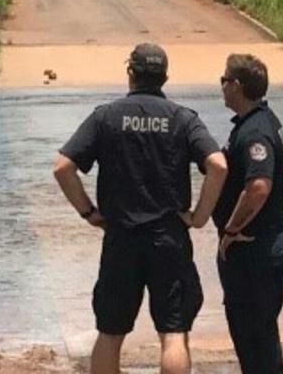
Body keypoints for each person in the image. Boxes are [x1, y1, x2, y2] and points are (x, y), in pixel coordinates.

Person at [53, 43, 228, 374]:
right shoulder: (182, 118)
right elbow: (217, 165)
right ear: (164, 77)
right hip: (169, 238)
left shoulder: (106, 116)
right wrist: (200, 217)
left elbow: (63, 167)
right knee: (174, 333)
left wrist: (89, 213)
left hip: (121, 237)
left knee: (110, 332)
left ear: (130, 74)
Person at [212, 53, 283, 374]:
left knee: (255, 338)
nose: (221, 87)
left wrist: (231, 230)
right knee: (260, 339)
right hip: (265, 245)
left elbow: (259, 187)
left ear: (238, 86)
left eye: (224, 81)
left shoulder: (255, 131)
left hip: (254, 249)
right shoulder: (260, 121)